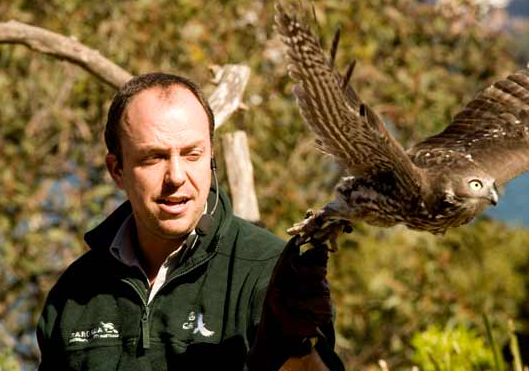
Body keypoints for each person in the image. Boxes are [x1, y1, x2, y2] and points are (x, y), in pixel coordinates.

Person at [36, 72, 345, 370]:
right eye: (153, 157)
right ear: (117, 170)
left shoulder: (269, 270)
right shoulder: (75, 291)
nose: (177, 177)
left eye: (192, 154)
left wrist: (297, 348)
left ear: (211, 158)